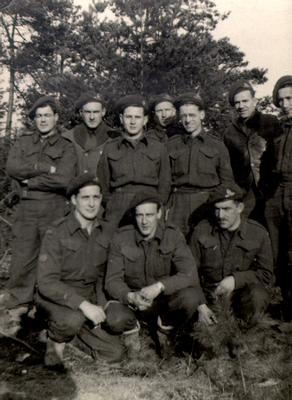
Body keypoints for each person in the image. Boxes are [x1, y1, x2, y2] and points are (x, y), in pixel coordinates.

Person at [37, 174, 124, 369]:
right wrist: (83, 305)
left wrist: (100, 305)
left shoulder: (106, 231)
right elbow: (46, 283)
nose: (92, 204)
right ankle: (54, 338)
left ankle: (73, 339)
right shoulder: (56, 232)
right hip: (57, 298)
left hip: (88, 298)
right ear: (74, 200)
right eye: (85, 198)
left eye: (96, 197)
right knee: (71, 319)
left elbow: (103, 275)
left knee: (113, 353)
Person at [104, 192, 205, 357]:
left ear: (159, 213)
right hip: (135, 304)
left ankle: (165, 329)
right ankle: (132, 329)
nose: (144, 221)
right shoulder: (121, 237)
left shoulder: (173, 235)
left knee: (191, 297)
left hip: (165, 302)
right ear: (134, 216)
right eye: (139, 215)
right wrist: (130, 296)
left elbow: (189, 274)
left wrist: (160, 286)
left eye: (149, 215)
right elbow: (112, 281)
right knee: (114, 317)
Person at [0, 96, 77, 312]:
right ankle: (19, 300)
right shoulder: (23, 141)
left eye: (47, 116)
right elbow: (13, 168)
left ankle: (46, 302)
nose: (42, 120)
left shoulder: (66, 146)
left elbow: (65, 179)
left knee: (51, 257)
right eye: (38, 116)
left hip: (54, 207)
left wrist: (31, 179)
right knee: (23, 255)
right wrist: (44, 168)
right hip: (26, 207)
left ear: (56, 118)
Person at [189, 184, 273, 327]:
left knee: (257, 295)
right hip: (209, 296)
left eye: (226, 209)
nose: (220, 215)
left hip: (241, 296)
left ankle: (247, 332)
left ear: (239, 208)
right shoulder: (201, 231)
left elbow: (266, 274)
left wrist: (235, 280)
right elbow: (189, 272)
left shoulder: (258, 233)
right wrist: (200, 304)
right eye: (217, 209)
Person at [98, 94, 171, 227]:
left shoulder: (158, 148)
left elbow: (165, 183)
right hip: (118, 207)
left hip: (149, 204)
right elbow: (103, 184)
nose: (132, 122)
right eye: (128, 117)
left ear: (145, 120)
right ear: (121, 119)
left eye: (137, 117)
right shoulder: (110, 147)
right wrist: (112, 203)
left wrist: (156, 205)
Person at [167, 92, 234, 237]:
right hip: (178, 204)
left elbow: (227, 181)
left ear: (202, 115)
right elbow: (165, 180)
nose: (188, 120)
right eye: (184, 116)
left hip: (206, 203)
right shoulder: (171, 145)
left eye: (192, 115)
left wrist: (212, 202)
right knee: (175, 244)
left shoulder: (217, 145)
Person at [224, 80, 281, 222]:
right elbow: (227, 166)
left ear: (254, 101)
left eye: (245, 101)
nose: (241, 106)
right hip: (245, 195)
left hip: (272, 191)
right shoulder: (229, 133)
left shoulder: (271, 122)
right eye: (237, 102)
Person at [264, 75, 292, 321]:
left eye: (290, 98)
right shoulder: (279, 129)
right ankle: (286, 305)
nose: (285, 104)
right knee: (278, 251)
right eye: (281, 99)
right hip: (276, 194)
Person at [63, 93, 119, 175]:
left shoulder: (115, 138)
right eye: (87, 112)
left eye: (96, 112)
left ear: (103, 112)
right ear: (81, 113)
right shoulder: (67, 138)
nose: (92, 117)